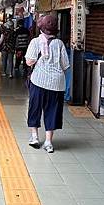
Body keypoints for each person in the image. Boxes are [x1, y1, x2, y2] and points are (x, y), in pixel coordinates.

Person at [25, 15, 70, 153]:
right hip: (57, 84)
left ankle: (34, 137)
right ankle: (49, 142)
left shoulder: (35, 42)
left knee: (35, 108)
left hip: (38, 81)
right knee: (52, 111)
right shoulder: (60, 44)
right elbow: (65, 65)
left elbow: (29, 62)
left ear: (41, 27)